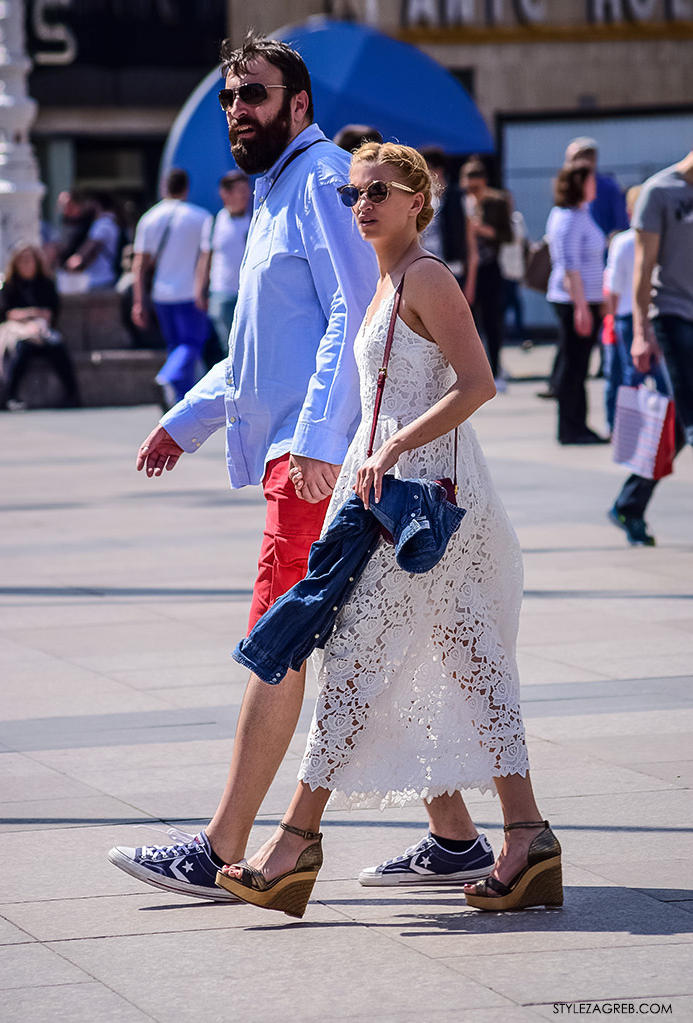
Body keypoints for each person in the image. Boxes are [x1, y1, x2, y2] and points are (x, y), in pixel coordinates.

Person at [213, 143, 561, 919]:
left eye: (378, 191)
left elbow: (480, 384)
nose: (361, 204)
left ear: (417, 199)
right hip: (396, 503)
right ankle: (528, 834)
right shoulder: (381, 282)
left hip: (433, 506)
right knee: (475, 664)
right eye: (352, 194)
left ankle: (296, 840)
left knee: (360, 656)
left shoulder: (428, 276)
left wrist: (396, 446)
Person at [107, 33, 377, 897]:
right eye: (230, 97)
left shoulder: (323, 179)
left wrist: (316, 441)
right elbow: (262, 350)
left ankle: (222, 842)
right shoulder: (275, 191)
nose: (237, 111)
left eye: (253, 95)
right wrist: (185, 421)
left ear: (298, 104)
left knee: (278, 644)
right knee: (374, 640)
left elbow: (355, 309)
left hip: (313, 459)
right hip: (306, 452)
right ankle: (458, 838)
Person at [608, 148, 693, 547]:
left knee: (676, 426)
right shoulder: (660, 192)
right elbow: (643, 266)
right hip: (672, 315)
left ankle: (630, 503)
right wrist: (641, 331)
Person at [132, 168, 212, 409]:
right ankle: (167, 378)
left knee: (176, 346)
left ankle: (178, 401)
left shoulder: (149, 218)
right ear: (186, 188)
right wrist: (202, 290)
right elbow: (205, 259)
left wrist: (139, 300)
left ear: (164, 187)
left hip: (161, 294)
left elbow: (139, 265)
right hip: (189, 293)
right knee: (191, 344)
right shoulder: (201, 217)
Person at [546, 162, 608, 445]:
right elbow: (570, 265)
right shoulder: (568, 218)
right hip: (574, 301)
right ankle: (571, 427)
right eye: (590, 181)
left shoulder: (581, 214)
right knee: (574, 366)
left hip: (587, 299)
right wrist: (582, 306)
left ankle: (578, 423)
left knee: (579, 365)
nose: (595, 185)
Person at [602, 185, 669, 433]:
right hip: (657, 312)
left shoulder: (621, 242)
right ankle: (666, 430)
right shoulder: (663, 238)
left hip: (626, 315)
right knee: (663, 375)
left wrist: (610, 317)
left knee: (629, 377)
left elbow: (614, 286)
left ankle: (626, 430)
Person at [0, 244, 79, 411]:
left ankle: (72, 393)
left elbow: (50, 313)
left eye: (29, 261)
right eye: (22, 261)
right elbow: (7, 314)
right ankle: (10, 395)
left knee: (58, 348)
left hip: (42, 332)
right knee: (22, 350)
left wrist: (26, 315)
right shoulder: (9, 285)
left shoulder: (45, 284)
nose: (26, 265)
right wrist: (34, 313)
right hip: (19, 333)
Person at [460, 156, 513, 383]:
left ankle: (495, 366)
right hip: (464, 269)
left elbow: (508, 235)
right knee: (467, 322)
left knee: (492, 320)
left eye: (476, 185)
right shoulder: (459, 201)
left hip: (490, 267)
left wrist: (483, 230)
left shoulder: (497, 201)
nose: (472, 190)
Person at [194, 171, 252, 359]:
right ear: (225, 194)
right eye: (239, 190)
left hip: (249, 296)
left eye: (246, 190)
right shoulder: (213, 223)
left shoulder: (256, 220)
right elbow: (206, 258)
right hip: (222, 295)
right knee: (228, 349)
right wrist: (199, 290)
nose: (245, 195)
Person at [420, 146, 478, 306]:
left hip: (453, 271)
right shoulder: (421, 201)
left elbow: (471, 245)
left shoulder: (460, 198)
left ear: (437, 170)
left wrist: (470, 284)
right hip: (425, 271)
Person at [564, 137, 628, 239]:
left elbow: (620, 227)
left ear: (591, 161)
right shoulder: (566, 190)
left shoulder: (609, 188)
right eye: (568, 160)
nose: (568, 165)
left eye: (573, 160)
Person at [64, 191, 121, 290]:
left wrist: (75, 262)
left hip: (99, 279)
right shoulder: (112, 222)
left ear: (97, 204)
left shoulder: (102, 223)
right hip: (106, 277)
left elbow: (92, 247)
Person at [499, 196, 529, 346]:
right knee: (509, 303)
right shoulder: (499, 222)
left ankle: (518, 333)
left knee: (514, 304)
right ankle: (512, 333)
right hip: (503, 270)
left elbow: (523, 243)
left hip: (516, 268)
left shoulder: (517, 219)